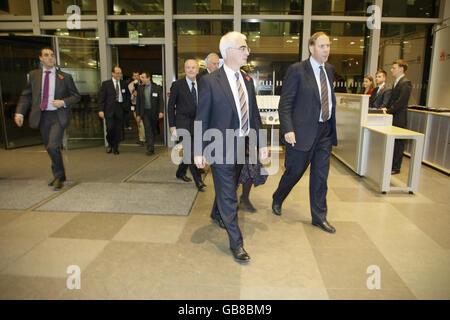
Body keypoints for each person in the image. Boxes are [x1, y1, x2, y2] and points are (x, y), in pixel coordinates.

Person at [194, 31, 268, 263]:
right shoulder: (209, 81)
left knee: (231, 186)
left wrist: (261, 144)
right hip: (219, 147)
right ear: (228, 52)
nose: (248, 52)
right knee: (230, 197)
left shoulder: (247, 80)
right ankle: (237, 244)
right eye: (243, 48)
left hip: (242, 146)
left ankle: (216, 213)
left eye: (247, 48)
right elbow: (201, 118)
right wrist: (198, 149)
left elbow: (254, 114)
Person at [272, 32, 338, 234]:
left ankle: (319, 217)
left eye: (328, 46)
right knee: (295, 172)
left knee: (320, 176)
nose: (326, 50)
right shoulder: (297, 70)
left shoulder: (330, 70)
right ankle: (278, 197)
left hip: (324, 131)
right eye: (322, 46)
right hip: (301, 132)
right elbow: (285, 103)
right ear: (311, 48)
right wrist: (288, 130)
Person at [14, 47, 80, 191]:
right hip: (42, 116)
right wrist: (20, 113)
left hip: (58, 116)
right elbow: (26, 96)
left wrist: (62, 102)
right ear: (41, 58)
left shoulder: (65, 77)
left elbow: (76, 96)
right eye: (46, 55)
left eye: (52, 55)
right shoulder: (34, 75)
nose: (50, 58)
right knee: (49, 147)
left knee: (53, 146)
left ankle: (59, 176)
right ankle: (59, 174)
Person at [168, 59, 206, 192]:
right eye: (188, 67)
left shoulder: (202, 84)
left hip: (198, 124)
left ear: (197, 70)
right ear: (185, 69)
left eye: (193, 67)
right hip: (183, 123)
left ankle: (180, 172)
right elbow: (170, 106)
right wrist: (172, 125)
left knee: (191, 151)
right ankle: (198, 181)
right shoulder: (177, 85)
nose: (191, 70)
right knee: (191, 152)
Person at [383, 59, 412, 175]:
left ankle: (396, 167)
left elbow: (401, 102)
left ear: (401, 69)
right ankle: (391, 165)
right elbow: (392, 99)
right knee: (392, 143)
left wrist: (389, 110)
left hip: (399, 118)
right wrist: (385, 109)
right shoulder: (396, 82)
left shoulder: (406, 83)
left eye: (394, 68)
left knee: (398, 144)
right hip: (393, 117)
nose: (391, 70)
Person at [98, 66, 131, 155]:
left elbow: (127, 96)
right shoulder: (106, 84)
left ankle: (115, 147)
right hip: (109, 110)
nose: (119, 75)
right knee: (110, 128)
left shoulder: (124, 84)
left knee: (118, 130)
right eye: (117, 73)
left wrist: (126, 106)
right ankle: (110, 144)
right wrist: (101, 110)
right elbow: (101, 98)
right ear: (112, 73)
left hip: (120, 108)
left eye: (120, 73)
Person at [135, 71, 164, 156]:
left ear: (148, 78)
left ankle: (151, 144)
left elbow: (161, 101)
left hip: (154, 112)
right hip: (145, 113)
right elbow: (138, 102)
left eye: (143, 77)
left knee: (152, 129)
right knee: (148, 130)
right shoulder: (140, 88)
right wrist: (138, 115)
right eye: (141, 77)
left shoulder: (157, 88)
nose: (141, 79)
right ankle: (150, 148)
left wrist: (161, 111)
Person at [128, 71, 146, 146]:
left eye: (137, 76)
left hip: (145, 106)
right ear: (132, 77)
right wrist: (133, 95)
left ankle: (144, 138)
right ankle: (142, 139)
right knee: (139, 123)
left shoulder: (144, 83)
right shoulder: (130, 85)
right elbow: (129, 98)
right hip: (135, 106)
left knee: (145, 123)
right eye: (134, 76)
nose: (136, 77)